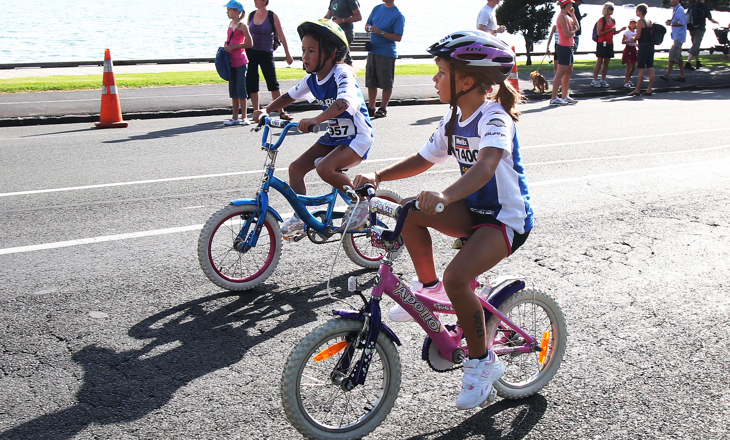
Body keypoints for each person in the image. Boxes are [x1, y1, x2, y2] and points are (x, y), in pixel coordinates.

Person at [353, 30, 532, 410]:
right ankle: (430, 288)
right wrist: (378, 176)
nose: (434, 80)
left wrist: (447, 196)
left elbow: (485, 166)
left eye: (440, 72)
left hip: (503, 220)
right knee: (411, 211)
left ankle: (484, 363)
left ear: (466, 81)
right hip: (473, 213)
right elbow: (424, 158)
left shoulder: (495, 118)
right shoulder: (453, 118)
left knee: (459, 277)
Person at [253, 19, 373, 239]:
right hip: (334, 137)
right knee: (296, 168)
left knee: (325, 169)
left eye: (311, 51)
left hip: (357, 137)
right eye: (303, 50)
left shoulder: (342, 72)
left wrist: (317, 119)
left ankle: (361, 203)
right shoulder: (312, 79)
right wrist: (266, 110)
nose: (304, 57)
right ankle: (301, 217)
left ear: (330, 54)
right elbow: (290, 95)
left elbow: (345, 102)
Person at [246, 0, 295, 120]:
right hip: (251, 52)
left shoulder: (272, 16)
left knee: (272, 83)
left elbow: (281, 35)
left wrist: (287, 54)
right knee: (252, 82)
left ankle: (281, 111)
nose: (256, 1)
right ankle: (256, 111)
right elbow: (246, 34)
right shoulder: (252, 15)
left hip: (266, 53)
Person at [364, 0, 405, 119]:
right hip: (373, 51)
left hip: (386, 53)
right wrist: (368, 27)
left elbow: (398, 37)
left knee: (386, 82)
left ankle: (383, 108)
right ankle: (371, 108)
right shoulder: (377, 8)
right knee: (371, 81)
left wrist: (381, 32)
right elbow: (368, 24)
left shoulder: (398, 15)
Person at [223, 0, 254, 126]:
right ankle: (235, 116)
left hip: (240, 61)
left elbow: (250, 43)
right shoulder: (231, 24)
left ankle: (244, 116)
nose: (228, 12)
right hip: (230, 60)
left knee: (241, 89)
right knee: (233, 89)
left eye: (230, 10)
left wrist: (233, 47)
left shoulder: (242, 26)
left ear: (237, 12)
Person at [550, 0, 580, 106]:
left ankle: (565, 95)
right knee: (560, 73)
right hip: (563, 47)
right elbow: (567, 34)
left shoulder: (567, 16)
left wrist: (573, 15)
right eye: (571, 4)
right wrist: (574, 30)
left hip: (569, 46)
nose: (572, 6)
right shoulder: (561, 17)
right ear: (567, 5)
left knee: (569, 72)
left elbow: (577, 26)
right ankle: (554, 97)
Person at [591, 2, 626, 88]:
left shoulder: (613, 20)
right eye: (610, 9)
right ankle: (594, 79)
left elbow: (613, 32)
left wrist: (620, 30)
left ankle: (603, 79)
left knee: (607, 62)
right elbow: (599, 33)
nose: (612, 11)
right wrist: (610, 29)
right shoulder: (601, 20)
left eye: (613, 9)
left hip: (609, 43)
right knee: (600, 61)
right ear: (606, 9)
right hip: (601, 42)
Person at [325, 0, 362, 65]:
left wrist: (342, 20)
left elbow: (358, 17)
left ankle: (350, 73)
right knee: (336, 57)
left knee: (343, 57)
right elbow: (328, 16)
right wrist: (319, 23)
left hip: (346, 33)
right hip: (335, 32)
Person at [685, 0, 720, 70]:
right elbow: (710, 18)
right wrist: (717, 22)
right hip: (700, 28)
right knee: (696, 45)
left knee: (695, 44)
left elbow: (686, 16)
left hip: (691, 28)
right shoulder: (705, 7)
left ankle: (698, 62)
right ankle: (688, 63)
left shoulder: (692, 6)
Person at [628, 3, 655, 96]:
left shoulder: (640, 22)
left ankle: (638, 89)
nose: (636, 12)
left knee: (641, 68)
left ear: (640, 11)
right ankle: (649, 89)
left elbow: (638, 35)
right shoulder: (649, 21)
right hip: (650, 46)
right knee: (650, 67)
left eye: (637, 10)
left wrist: (633, 38)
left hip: (643, 46)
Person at [660, 0, 687, 82]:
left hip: (679, 36)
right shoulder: (675, 9)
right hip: (676, 36)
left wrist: (671, 23)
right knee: (678, 56)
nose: (672, 1)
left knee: (673, 53)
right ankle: (682, 75)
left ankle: (667, 74)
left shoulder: (680, 9)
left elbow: (681, 23)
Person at [621, 17, 638, 88]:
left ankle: (628, 78)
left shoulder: (637, 32)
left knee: (634, 66)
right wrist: (629, 41)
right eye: (631, 23)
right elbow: (623, 41)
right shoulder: (627, 33)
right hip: (628, 48)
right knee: (629, 66)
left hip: (634, 49)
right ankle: (626, 81)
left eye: (634, 23)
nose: (632, 24)